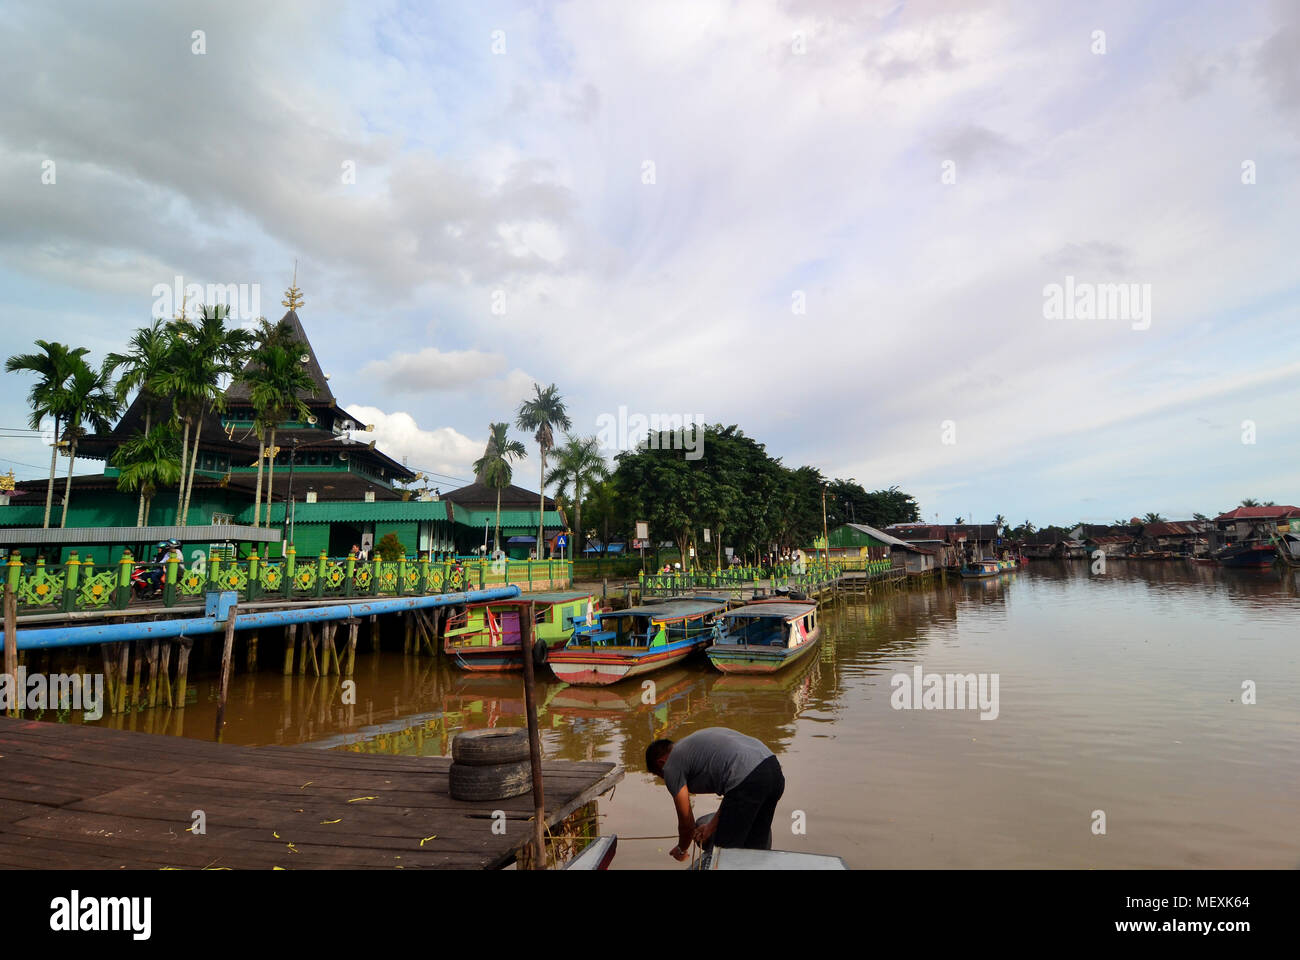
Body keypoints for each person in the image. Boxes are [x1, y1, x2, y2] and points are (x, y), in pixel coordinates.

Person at [646, 727, 785, 861]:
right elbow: (734, 794)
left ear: (661, 763)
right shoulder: (693, 747)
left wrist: (682, 849)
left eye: (661, 776)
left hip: (748, 781)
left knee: (724, 856)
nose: (667, 779)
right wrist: (710, 827)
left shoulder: (671, 766)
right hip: (773, 771)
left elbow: (686, 823)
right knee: (756, 849)